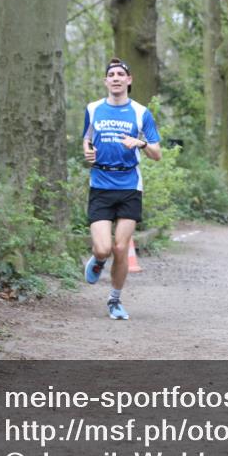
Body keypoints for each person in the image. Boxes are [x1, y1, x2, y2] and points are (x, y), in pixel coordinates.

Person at [82, 57, 162, 320]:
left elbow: (156, 153)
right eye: (111, 75)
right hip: (101, 184)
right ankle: (98, 260)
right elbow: (87, 138)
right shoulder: (93, 109)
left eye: (120, 74)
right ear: (106, 81)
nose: (115, 78)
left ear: (129, 80)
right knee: (104, 248)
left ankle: (115, 301)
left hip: (129, 186)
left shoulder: (141, 113)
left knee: (121, 248)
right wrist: (87, 151)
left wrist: (139, 143)